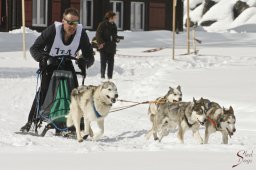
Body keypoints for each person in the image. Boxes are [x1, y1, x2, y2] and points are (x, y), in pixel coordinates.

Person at [20, 8, 94, 132]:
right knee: (44, 91)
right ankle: (32, 122)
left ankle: (75, 125)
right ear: (63, 21)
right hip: (50, 63)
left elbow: (90, 56)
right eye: (69, 22)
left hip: (67, 63)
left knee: (75, 93)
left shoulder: (81, 34)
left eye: (75, 23)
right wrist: (43, 58)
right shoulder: (52, 30)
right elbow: (34, 49)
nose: (72, 26)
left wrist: (84, 62)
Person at [96, 11, 120, 81]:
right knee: (103, 63)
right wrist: (101, 43)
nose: (115, 18)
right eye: (114, 17)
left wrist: (117, 39)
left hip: (112, 47)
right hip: (104, 47)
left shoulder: (114, 25)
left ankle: (110, 77)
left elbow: (114, 36)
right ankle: (102, 76)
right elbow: (98, 35)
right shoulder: (102, 24)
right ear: (110, 17)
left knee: (111, 63)